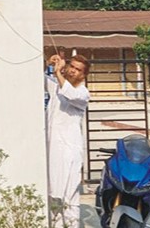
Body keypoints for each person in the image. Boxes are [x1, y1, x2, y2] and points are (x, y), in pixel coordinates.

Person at [45, 52, 91, 228]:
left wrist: (57, 73)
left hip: (69, 150)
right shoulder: (57, 85)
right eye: (71, 66)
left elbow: (70, 95)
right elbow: (40, 80)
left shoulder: (83, 93)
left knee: (69, 194)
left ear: (83, 74)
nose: (72, 71)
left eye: (77, 69)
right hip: (52, 148)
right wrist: (49, 64)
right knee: (53, 194)